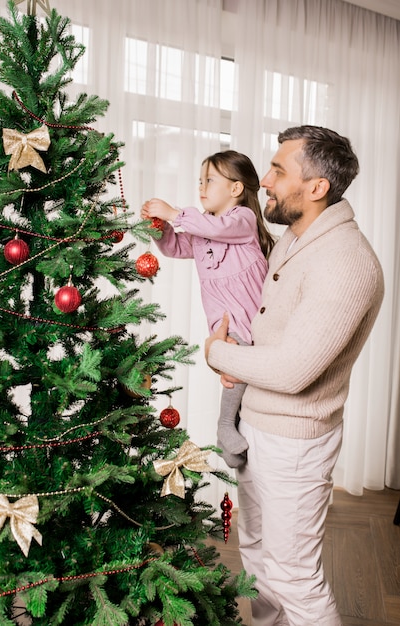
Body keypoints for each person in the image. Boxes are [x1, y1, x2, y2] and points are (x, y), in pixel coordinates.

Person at [205, 126, 384, 626]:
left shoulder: (346, 261)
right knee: (259, 557)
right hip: (256, 425)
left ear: (317, 187)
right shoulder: (294, 239)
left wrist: (220, 354)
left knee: (293, 576)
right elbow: (278, 338)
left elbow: (292, 370)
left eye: (279, 170)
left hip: (295, 444)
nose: (264, 179)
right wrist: (242, 356)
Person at [141, 150, 275, 467]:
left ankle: (227, 429)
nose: (201, 187)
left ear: (236, 189)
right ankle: (227, 427)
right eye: (199, 181)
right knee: (235, 364)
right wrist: (159, 226)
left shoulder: (243, 219)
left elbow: (217, 230)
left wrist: (174, 212)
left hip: (248, 310)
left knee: (247, 372)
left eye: (210, 180)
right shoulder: (204, 229)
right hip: (224, 317)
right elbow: (177, 246)